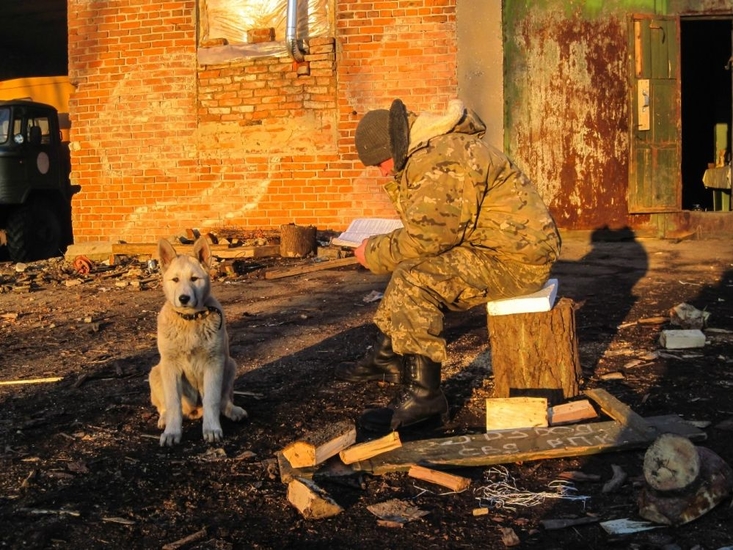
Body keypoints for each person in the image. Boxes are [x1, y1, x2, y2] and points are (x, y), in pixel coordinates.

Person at [336, 98, 562, 433]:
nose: (383, 172)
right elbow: (432, 228)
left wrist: (373, 252)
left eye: (379, 164)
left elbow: (429, 238)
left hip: (515, 261)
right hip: (497, 247)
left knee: (416, 280)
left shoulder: (439, 159)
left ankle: (425, 401)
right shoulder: (433, 149)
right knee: (410, 269)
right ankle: (387, 356)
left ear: (392, 147)